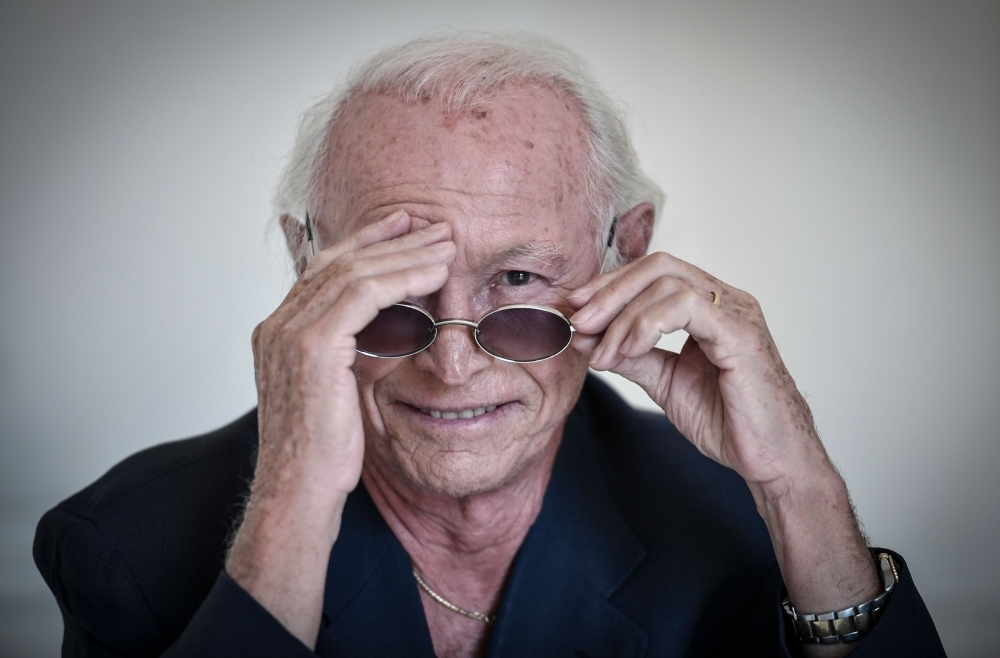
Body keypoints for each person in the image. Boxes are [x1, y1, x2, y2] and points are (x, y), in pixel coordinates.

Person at [34, 33, 945, 657]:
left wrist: (800, 490)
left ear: (624, 251)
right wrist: (292, 503)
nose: (453, 362)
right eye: (391, 288)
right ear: (303, 264)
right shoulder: (125, 546)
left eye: (516, 284)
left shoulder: (743, 525)